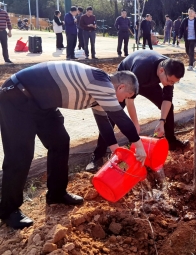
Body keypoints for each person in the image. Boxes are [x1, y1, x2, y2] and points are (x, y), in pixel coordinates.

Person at [0, 61, 147, 229]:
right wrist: (139, 145)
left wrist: (117, 152)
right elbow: (120, 118)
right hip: (16, 96)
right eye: (126, 97)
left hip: (41, 103)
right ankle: (8, 210)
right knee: (20, 155)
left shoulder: (99, 92)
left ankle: (56, 193)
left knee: (60, 142)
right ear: (120, 88)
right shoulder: (102, 84)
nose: (122, 101)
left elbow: (104, 124)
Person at [86, 50, 189, 172]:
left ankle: (171, 141)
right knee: (113, 114)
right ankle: (98, 155)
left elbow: (167, 100)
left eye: (173, 82)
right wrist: (135, 124)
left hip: (148, 81)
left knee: (168, 108)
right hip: (128, 80)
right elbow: (130, 101)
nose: (171, 84)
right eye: (170, 81)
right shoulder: (142, 69)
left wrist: (162, 121)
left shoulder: (170, 68)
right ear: (161, 71)